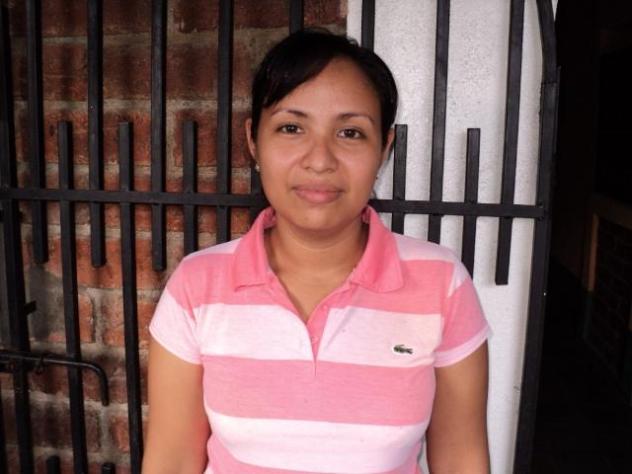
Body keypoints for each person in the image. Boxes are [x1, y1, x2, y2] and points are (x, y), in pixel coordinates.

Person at [142, 29, 490, 474]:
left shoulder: (441, 285)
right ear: (253, 141)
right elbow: (171, 459)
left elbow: (461, 457)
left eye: (350, 132)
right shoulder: (197, 285)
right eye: (291, 128)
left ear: (384, 148)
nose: (320, 160)